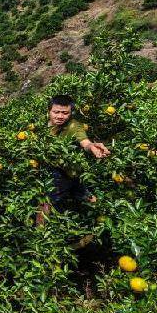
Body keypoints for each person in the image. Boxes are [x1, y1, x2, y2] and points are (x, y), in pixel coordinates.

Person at [36, 95, 111, 225]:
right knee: (83, 195)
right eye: (56, 112)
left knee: (45, 201)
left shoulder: (74, 126)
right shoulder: (40, 125)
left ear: (71, 113)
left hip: (68, 172)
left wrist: (92, 146)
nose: (60, 116)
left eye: (65, 113)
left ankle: (111, 219)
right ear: (49, 111)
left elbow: (84, 142)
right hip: (55, 169)